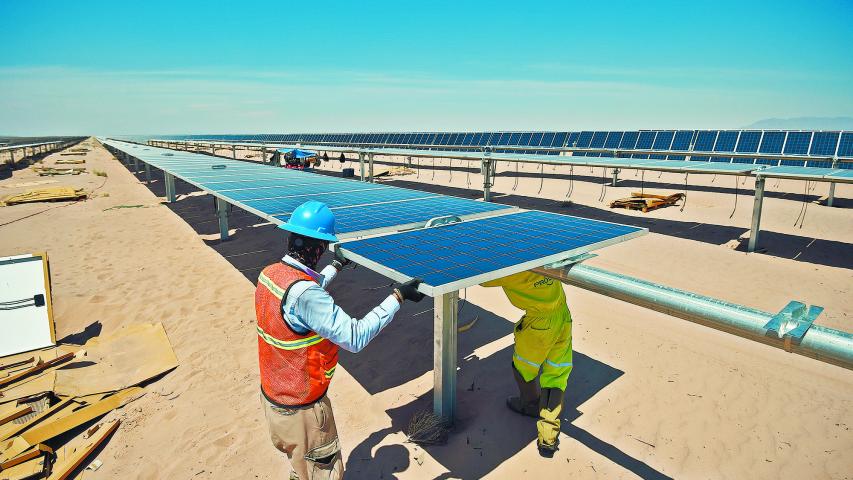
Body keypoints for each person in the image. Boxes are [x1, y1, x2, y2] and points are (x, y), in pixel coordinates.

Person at [255, 200, 425, 479]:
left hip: (275, 400)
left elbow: (302, 298)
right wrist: (398, 297)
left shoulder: (270, 275)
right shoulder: (305, 295)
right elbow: (354, 336)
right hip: (303, 410)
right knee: (320, 471)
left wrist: (336, 267)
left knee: (300, 468)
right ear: (319, 247)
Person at [481, 271, 572, 457]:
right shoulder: (547, 254)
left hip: (539, 324)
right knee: (556, 375)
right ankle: (548, 437)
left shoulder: (509, 270)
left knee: (523, 367)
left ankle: (529, 403)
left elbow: (479, 278)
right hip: (563, 315)